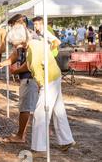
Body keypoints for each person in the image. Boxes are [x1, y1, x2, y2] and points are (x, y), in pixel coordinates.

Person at [4, 23, 75, 152]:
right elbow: (30, 65)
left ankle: (39, 148)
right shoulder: (34, 44)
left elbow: (35, 70)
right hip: (55, 76)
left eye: (13, 43)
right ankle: (66, 140)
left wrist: (40, 86)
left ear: (18, 41)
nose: (12, 45)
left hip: (49, 80)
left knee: (40, 113)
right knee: (58, 111)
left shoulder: (33, 49)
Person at [0, 18, 39, 143]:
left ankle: (21, 136)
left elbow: (30, 64)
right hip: (26, 78)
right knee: (28, 106)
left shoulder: (32, 41)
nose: (14, 46)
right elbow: (15, 55)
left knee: (26, 107)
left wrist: (16, 70)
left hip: (30, 78)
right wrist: (3, 63)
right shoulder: (22, 41)